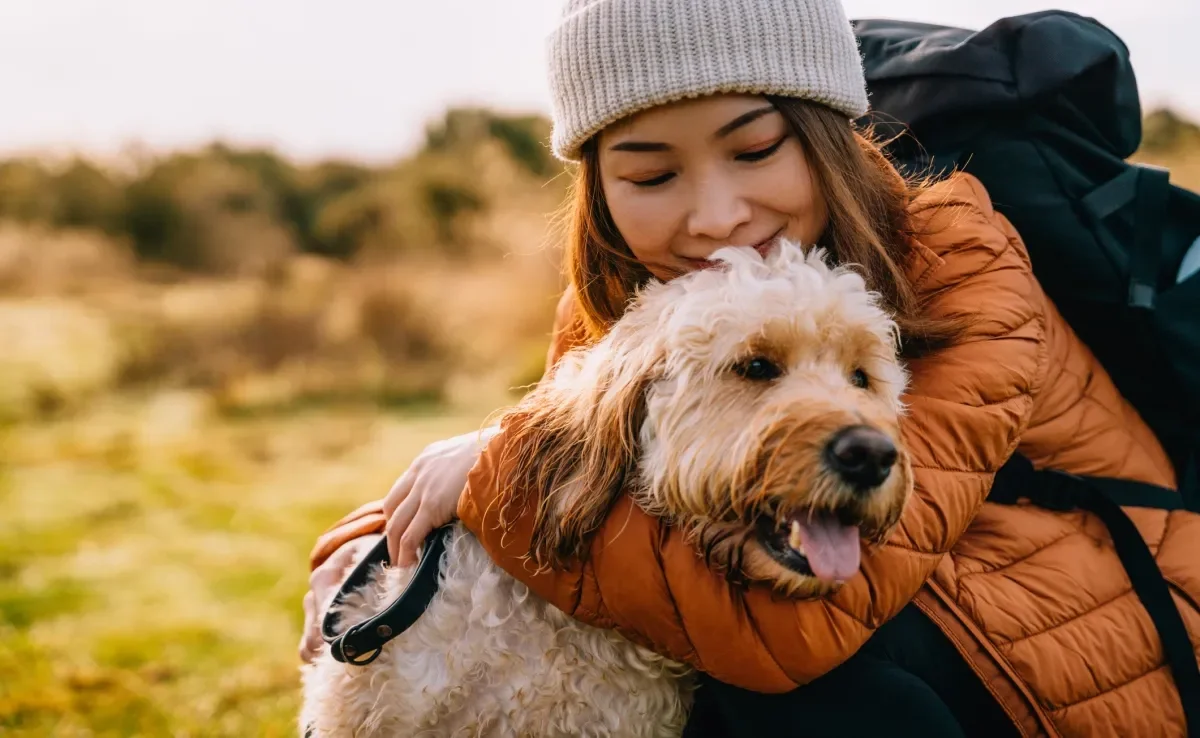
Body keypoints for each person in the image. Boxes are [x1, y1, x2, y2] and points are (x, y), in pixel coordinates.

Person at [300, 0, 1200, 735]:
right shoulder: (631, 297)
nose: (717, 215)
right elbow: (575, 469)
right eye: (651, 175)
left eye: (755, 149)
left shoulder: (961, 258)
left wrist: (497, 473)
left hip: (1098, 639)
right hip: (925, 636)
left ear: (828, 135)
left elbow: (800, 621)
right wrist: (373, 563)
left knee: (806, 698)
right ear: (601, 193)